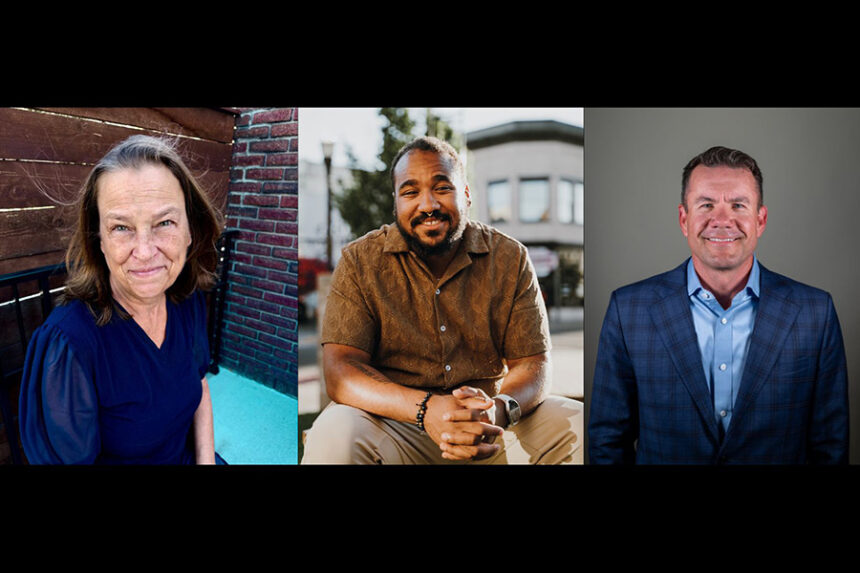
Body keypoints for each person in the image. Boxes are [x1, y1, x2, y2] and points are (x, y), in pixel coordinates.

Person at [302, 136, 582, 464]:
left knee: (577, 422)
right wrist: (426, 409)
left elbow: (532, 362)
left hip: (487, 428)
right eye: (410, 192)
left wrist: (499, 410)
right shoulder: (360, 260)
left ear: (466, 194)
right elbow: (341, 370)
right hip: (394, 428)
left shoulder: (510, 257)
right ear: (396, 203)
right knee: (335, 430)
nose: (428, 205)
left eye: (442, 187)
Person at [588, 145, 849, 464]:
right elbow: (607, 442)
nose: (722, 220)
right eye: (706, 204)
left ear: (760, 219)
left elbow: (831, 446)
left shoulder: (815, 313)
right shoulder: (628, 310)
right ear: (684, 219)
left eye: (738, 205)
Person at [19, 135, 225, 464]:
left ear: (190, 231)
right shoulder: (70, 344)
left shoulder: (187, 300)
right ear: (98, 239)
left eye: (165, 222)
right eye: (121, 228)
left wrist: (206, 461)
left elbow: (199, 385)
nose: (144, 251)